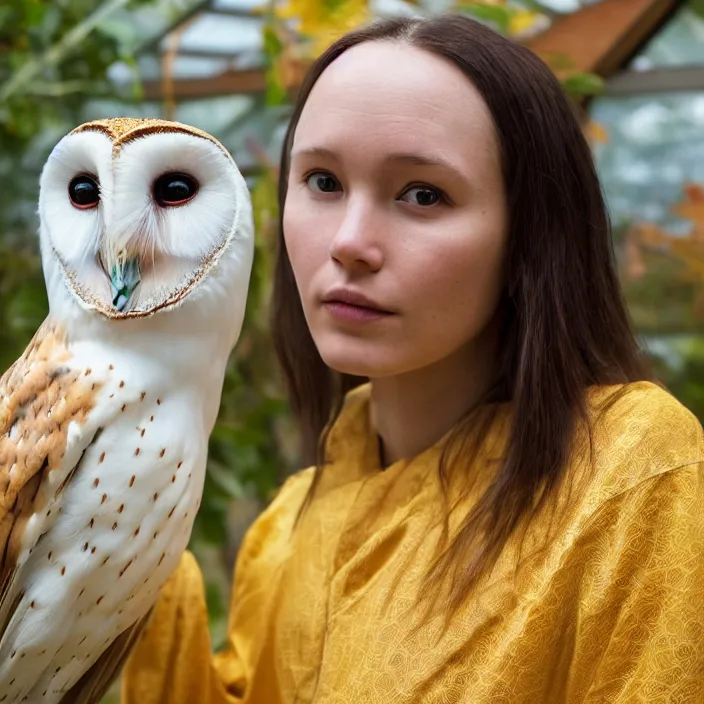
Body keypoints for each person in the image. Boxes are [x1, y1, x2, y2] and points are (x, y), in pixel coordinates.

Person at [122, 13, 704, 704]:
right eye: (323, 182)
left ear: (530, 234)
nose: (350, 241)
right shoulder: (286, 528)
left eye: (422, 194)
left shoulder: (633, 472)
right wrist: (124, 543)